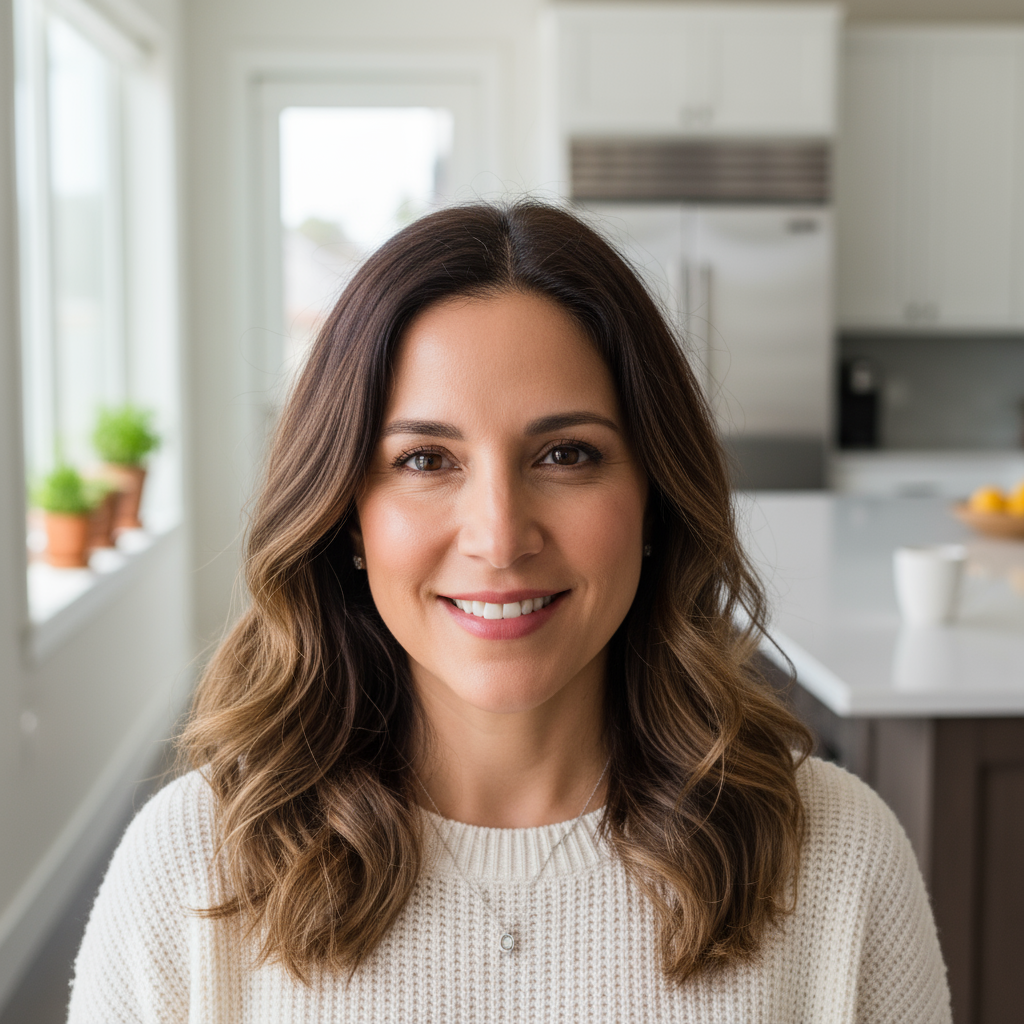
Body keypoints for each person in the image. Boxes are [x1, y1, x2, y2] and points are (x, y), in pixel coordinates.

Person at [69, 201, 951, 1023]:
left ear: (654, 498)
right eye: (424, 460)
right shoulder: (190, 866)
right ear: (346, 516)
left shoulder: (838, 855)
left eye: (567, 454)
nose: (499, 536)